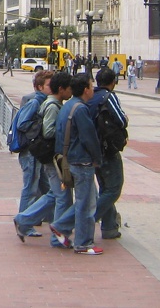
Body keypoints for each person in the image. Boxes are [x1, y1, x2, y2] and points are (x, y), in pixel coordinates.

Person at [13, 71, 73, 246]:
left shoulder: (46, 102)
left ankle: (25, 220)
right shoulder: (43, 103)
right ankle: (46, 229)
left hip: (45, 155)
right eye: (48, 84)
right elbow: (25, 124)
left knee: (53, 192)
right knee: (37, 189)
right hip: (42, 153)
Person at [49, 74, 104, 255]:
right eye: (91, 86)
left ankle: (61, 225)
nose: (93, 89)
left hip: (70, 159)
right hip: (82, 161)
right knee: (86, 205)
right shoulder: (81, 109)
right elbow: (90, 137)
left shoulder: (68, 107)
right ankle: (83, 242)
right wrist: (98, 158)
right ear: (85, 89)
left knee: (85, 201)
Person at [90, 68, 128, 240]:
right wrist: (125, 119)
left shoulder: (90, 96)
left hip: (95, 149)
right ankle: (86, 221)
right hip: (108, 149)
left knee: (105, 187)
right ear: (113, 82)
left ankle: (110, 226)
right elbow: (120, 119)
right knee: (113, 189)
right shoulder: (108, 96)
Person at [14, 70, 54, 237]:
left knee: (45, 186)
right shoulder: (35, 102)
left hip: (35, 152)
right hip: (30, 151)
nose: (52, 88)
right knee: (30, 186)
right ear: (39, 87)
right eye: (49, 85)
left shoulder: (42, 101)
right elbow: (22, 124)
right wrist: (39, 130)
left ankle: (49, 218)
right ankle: (24, 222)